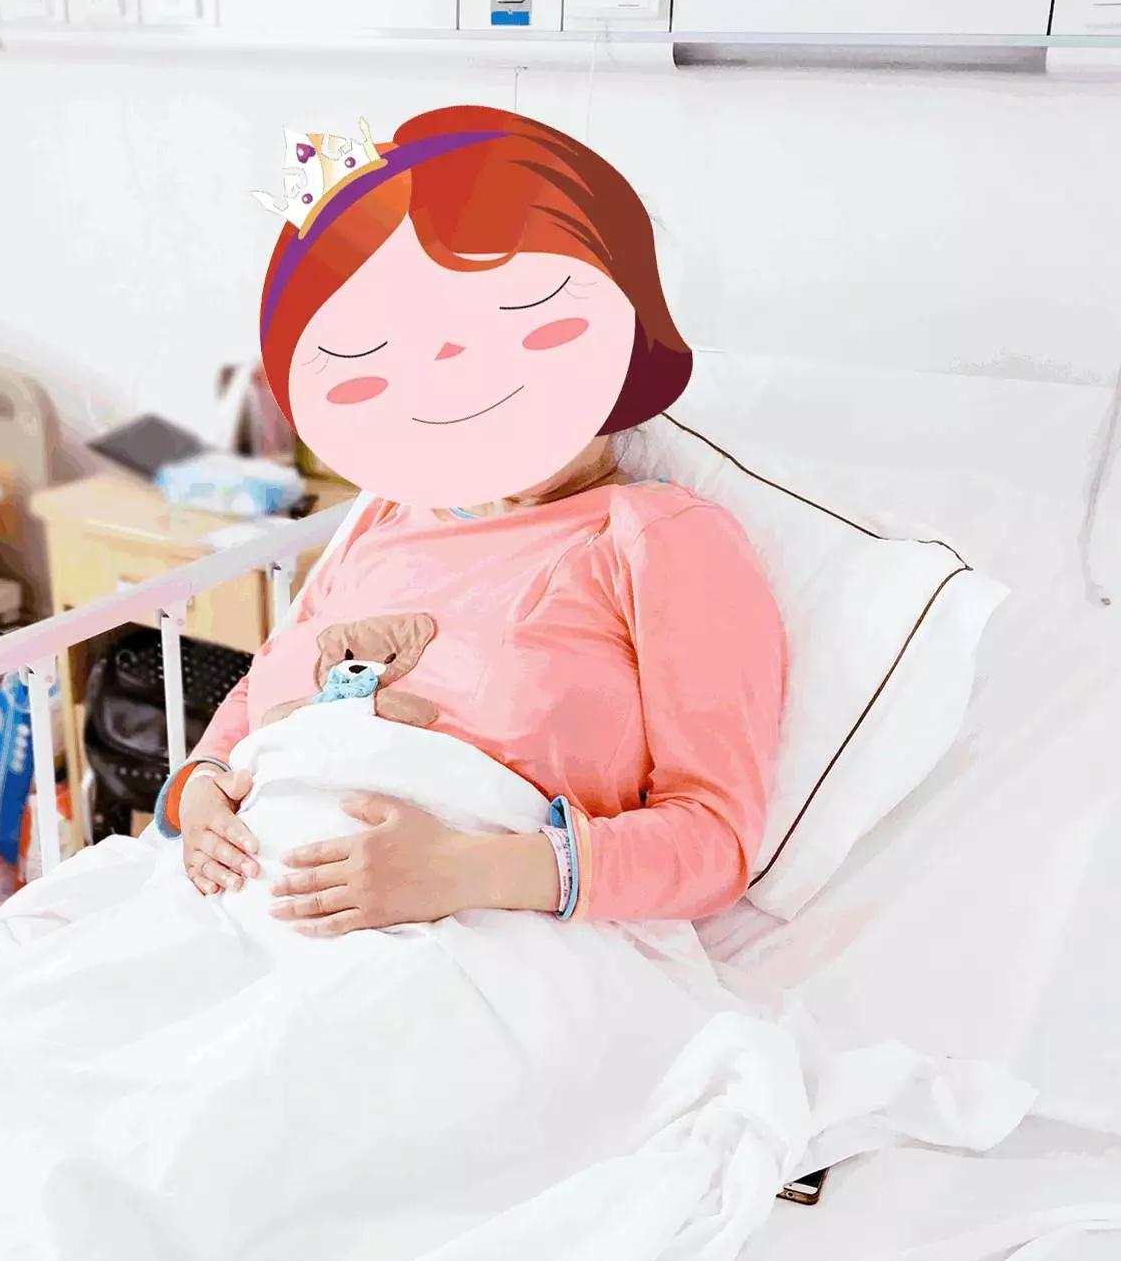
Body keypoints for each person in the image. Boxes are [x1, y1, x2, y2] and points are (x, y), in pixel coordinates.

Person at [159, 105, 787, 935]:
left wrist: (464, 871)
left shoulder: (656, 537)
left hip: (476, 938)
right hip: (231, 909)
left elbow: (714, 837)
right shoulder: (388, 513)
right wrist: (203, 788)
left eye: (521, 326)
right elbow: (261, 689)